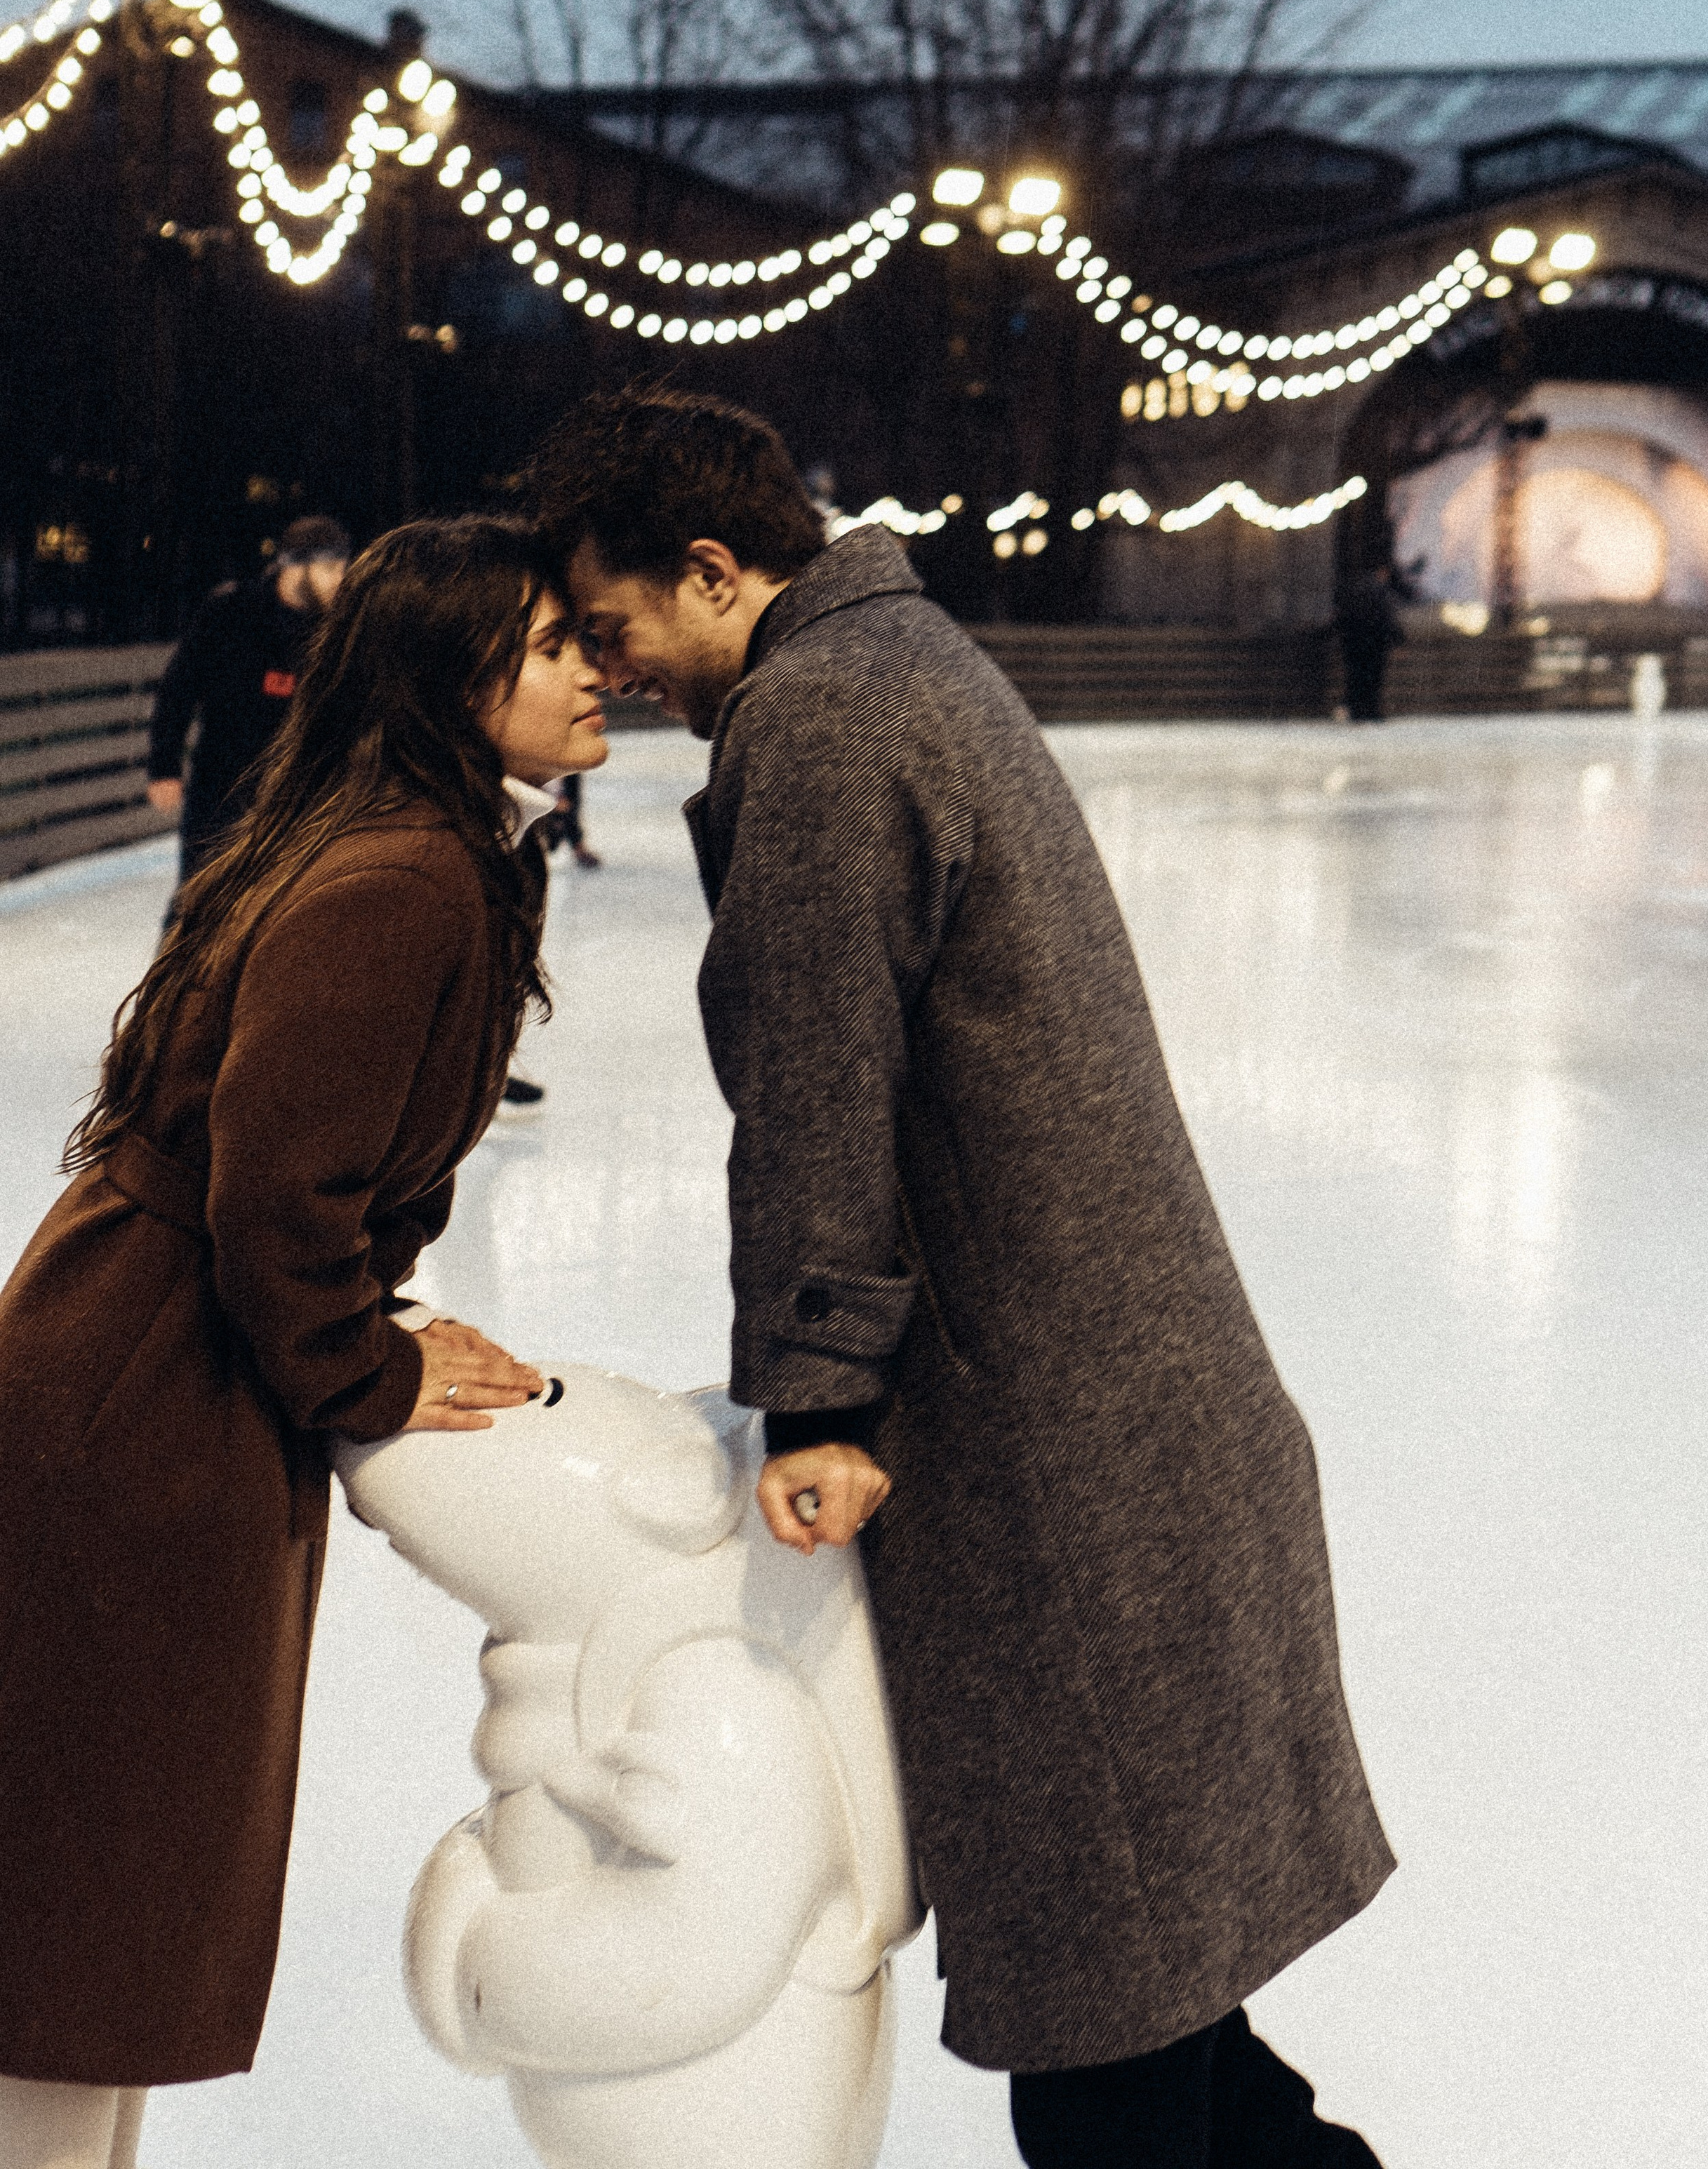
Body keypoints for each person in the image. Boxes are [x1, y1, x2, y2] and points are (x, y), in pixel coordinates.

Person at [534, 383, 1393, 2169]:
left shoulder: (823, 715)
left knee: (1104, 2036)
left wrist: (818, 1394)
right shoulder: (894, 659)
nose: (613, 675)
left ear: (711, 569)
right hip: (1122, 1413)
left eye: (615, 627)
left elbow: (816, 1085)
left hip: (1056, 1451)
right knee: (1159, 2001)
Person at [0, 515, 611, 2169]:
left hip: (157, 1368)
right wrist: (373, 1362)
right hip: (145, 1394)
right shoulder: (403, 874)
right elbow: (278, 1189)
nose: (593, 664)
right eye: (554, 639)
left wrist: (373, 1320)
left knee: (97, 1900)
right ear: (456, 666)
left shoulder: (422, 844)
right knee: (78, 1900)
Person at [146, 514, 353, 883]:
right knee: (198, 905)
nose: (341, 579)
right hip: (219, 794)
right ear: (297, 567)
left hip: (295, 803)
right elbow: (178, 690)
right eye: (331, 568)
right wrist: (164, 766)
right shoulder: (230, 614)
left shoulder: (337, 633)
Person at [1335, 563, 1406, 724]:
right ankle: (1371, 710)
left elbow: (1342, 615)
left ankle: (1356, 710)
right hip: (1375, 643)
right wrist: (1398, 640)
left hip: (1353, 642)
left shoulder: (1353, 588)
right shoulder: (1380, 591)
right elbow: (1387, 617)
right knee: (1373, 679)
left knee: (1355, 677)